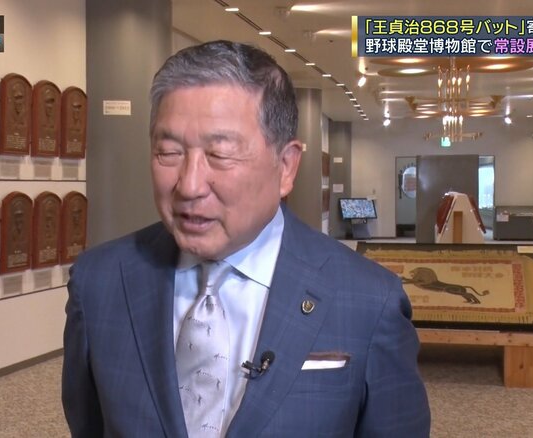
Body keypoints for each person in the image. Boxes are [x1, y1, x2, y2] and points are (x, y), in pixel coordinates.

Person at [62, 40, 430, 437]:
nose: (189, 185)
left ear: (286, 167)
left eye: (220, 155)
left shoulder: (369, 301)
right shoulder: (99, 282)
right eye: (168, 152)